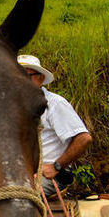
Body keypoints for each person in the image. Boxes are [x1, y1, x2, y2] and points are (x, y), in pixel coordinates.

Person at [18, 54, 93, 197]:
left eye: (26, 75)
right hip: (21, 174)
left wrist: (56, 166)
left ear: (40, 79)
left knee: (17, 203)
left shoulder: (55, 104)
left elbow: (84, 138)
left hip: (49, 176)